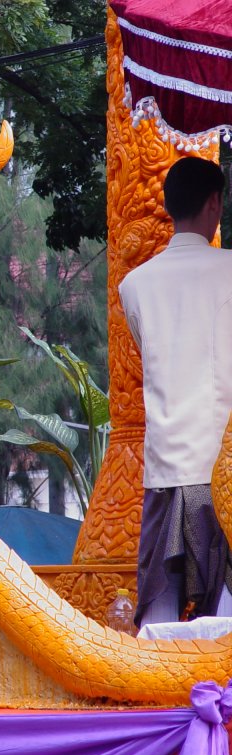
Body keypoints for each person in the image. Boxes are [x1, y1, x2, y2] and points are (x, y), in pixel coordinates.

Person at [118, 156, 232, 627]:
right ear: (213, 204)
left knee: (158, 616)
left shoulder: (134, 284)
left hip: (166, 471)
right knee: (226, 606)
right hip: (224, 475)